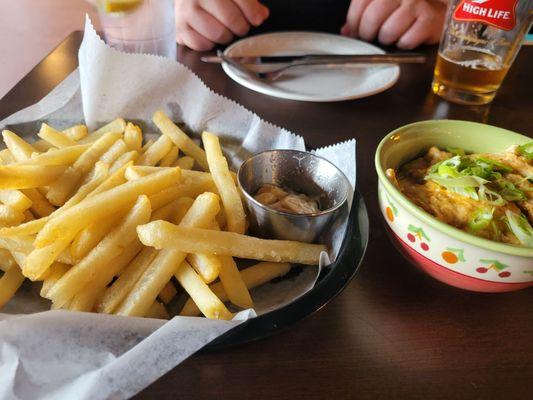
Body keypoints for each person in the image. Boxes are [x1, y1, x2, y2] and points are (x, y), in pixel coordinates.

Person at [174, 0, 447, 51]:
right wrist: (163, 10)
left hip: (389, 104)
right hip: (216, 82)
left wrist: (447, 10)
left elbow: (479, 11)